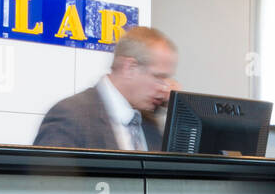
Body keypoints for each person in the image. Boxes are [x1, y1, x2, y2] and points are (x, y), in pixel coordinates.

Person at [34, 26, 177, 150]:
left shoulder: (150, 124)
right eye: (158, 77)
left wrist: (176, 113)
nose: (165, 88)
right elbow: (46, 182)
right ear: (130, 68)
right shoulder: (71, 116)